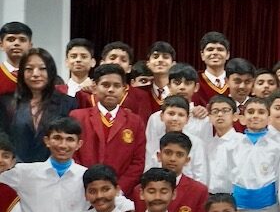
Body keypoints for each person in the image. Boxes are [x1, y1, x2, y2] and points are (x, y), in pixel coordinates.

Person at [210, 96, 280, 212]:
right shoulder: (232, 146)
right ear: (242, 118)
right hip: (240, 206)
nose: (255, 116)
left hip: (267, 207)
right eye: (250, 112)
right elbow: (226, 179)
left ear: (269, 118)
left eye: (261, 112)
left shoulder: (277, 147)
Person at [70, 63, 147, 194]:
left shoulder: (135, 122)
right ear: (95, 87)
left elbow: (138, 162)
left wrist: (118, 190)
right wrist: (88, 186)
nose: (111, 90)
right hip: (82, 190)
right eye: (105, 85)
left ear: (124, 89)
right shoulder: (78, 117)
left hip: (120, 194)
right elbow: (72, 154)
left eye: (116, 86)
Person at [0, 47, 78, 162]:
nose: (35, 74)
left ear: (51, 72)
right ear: (21, 73)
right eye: (29, 69)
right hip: (14, 169)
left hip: (53, 168)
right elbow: (3, 139)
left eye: (42, 69)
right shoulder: (6, 102)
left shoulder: (68, 103)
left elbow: (70, 139)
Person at [134, 132, 209, 212]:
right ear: (159, 156)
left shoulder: (198, 191)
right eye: (168, 153)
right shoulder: (141, 190)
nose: (173, 159)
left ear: (187, 160)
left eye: (179, 154)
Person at [144, 96, 209, 186]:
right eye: (171, 113)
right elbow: (148, 168)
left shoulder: (197, 143)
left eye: (181, 115)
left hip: (188, 189)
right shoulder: (154, 141)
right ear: (162, 116)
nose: (175, 118)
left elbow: (200, 174)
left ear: (187, 119)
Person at [193, 32, 232, 106]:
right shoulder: (194, 80)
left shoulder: (235, 81)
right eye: (210, 49)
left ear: (227, 55)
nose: (215, 53)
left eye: (220, 49)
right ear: (202, 55)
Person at [0, 21, 32, 95]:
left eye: (22, 40)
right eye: (11, 39)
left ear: (30, 46)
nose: (16, 43)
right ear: (1, 45)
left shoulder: (39, 76)